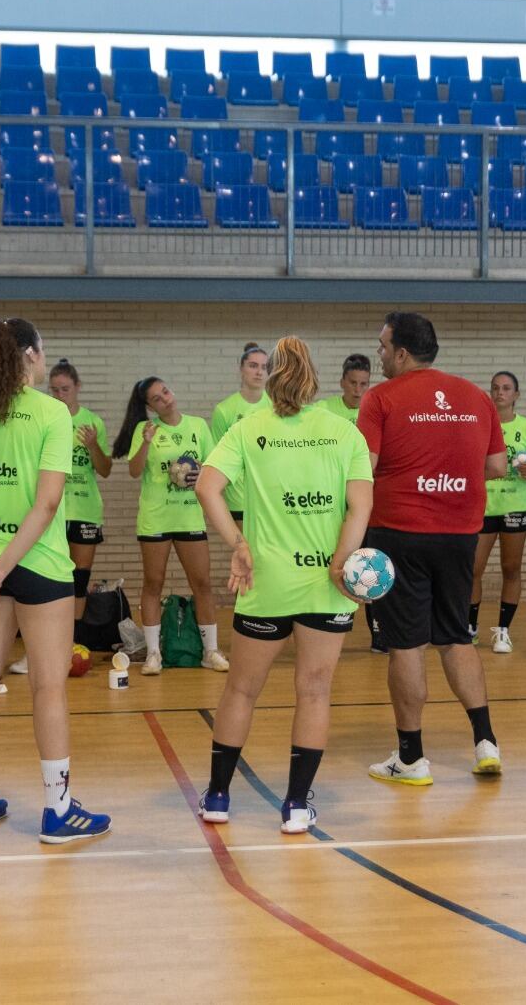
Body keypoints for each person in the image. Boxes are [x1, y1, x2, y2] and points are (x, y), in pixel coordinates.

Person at [0, 317, 111, 843]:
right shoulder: (51, 413)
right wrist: (4, 566)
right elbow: (48, 502)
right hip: (37, 567)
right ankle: (58, 811)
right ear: (32, 356)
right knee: (47, 687)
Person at [194, 337, 373, 833]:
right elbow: (360, 507)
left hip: (265, 580)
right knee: (314, 691)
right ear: (315, 377)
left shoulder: (249, 428)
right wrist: (340, 563)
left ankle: (217, 797)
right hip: (326, 584)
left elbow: (206, 487)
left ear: (270, 377)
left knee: (241, 691)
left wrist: (237, 543)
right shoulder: (344, 432)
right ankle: (295, 805)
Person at [360, 312, 508, 785]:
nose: (380, 354)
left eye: (383, 347)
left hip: (400, 532)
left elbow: (365, 469)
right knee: (455, 636)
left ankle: (410, 758)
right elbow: (499, 466)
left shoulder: (380, 398)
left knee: (406, 644)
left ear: (402, 352)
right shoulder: (476, 397)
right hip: (461, 534)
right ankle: (486, 741)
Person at [111, 376, 227, 675]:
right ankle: (153, 654)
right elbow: (135, 471)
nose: (165, 398)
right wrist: (147, 442)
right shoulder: (144, 429)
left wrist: (198, 472)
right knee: (153, 584)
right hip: (155, 519)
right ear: (149, 406)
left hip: (189, 516)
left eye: (165, 391)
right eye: (157, 398)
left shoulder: (198, 427)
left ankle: (210, 651)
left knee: (202, 583)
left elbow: (214, 467)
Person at [470, 370, 526, 655]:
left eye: (506, 388)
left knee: (511, 569)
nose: (500, 392)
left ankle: (503, 631)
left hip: (516, 506)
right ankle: (470, 627)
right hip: (484, 506)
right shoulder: (480, 424)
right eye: (495, 388)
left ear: (516, 394)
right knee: (473, 569)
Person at [48, 359, 112, 640]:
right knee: (52, 575)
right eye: (54, 390)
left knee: (80, 577)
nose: (60, 395)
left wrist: (93, 444)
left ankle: (73, 639)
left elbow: (105, 469)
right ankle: (50, 636)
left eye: (65, 389)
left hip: (85, 509)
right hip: (54, 509)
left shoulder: (92, 421)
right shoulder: (48, 417)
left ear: (77, 388)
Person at [210, 343, 271, 524]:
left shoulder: (277, 407)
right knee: (245, 552)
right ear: (241, 369)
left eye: (264, 367)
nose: (259, 372)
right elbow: (218, 458)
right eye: (253, 366)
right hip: (239, 500)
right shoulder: (224, 410)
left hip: (271, 497)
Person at [313, 353, 371, 423]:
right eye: (353, 383)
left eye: (363, 384)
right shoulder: (324, 408)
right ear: (342, 383)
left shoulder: (375, 413)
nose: (357, 390)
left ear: (368, 386)